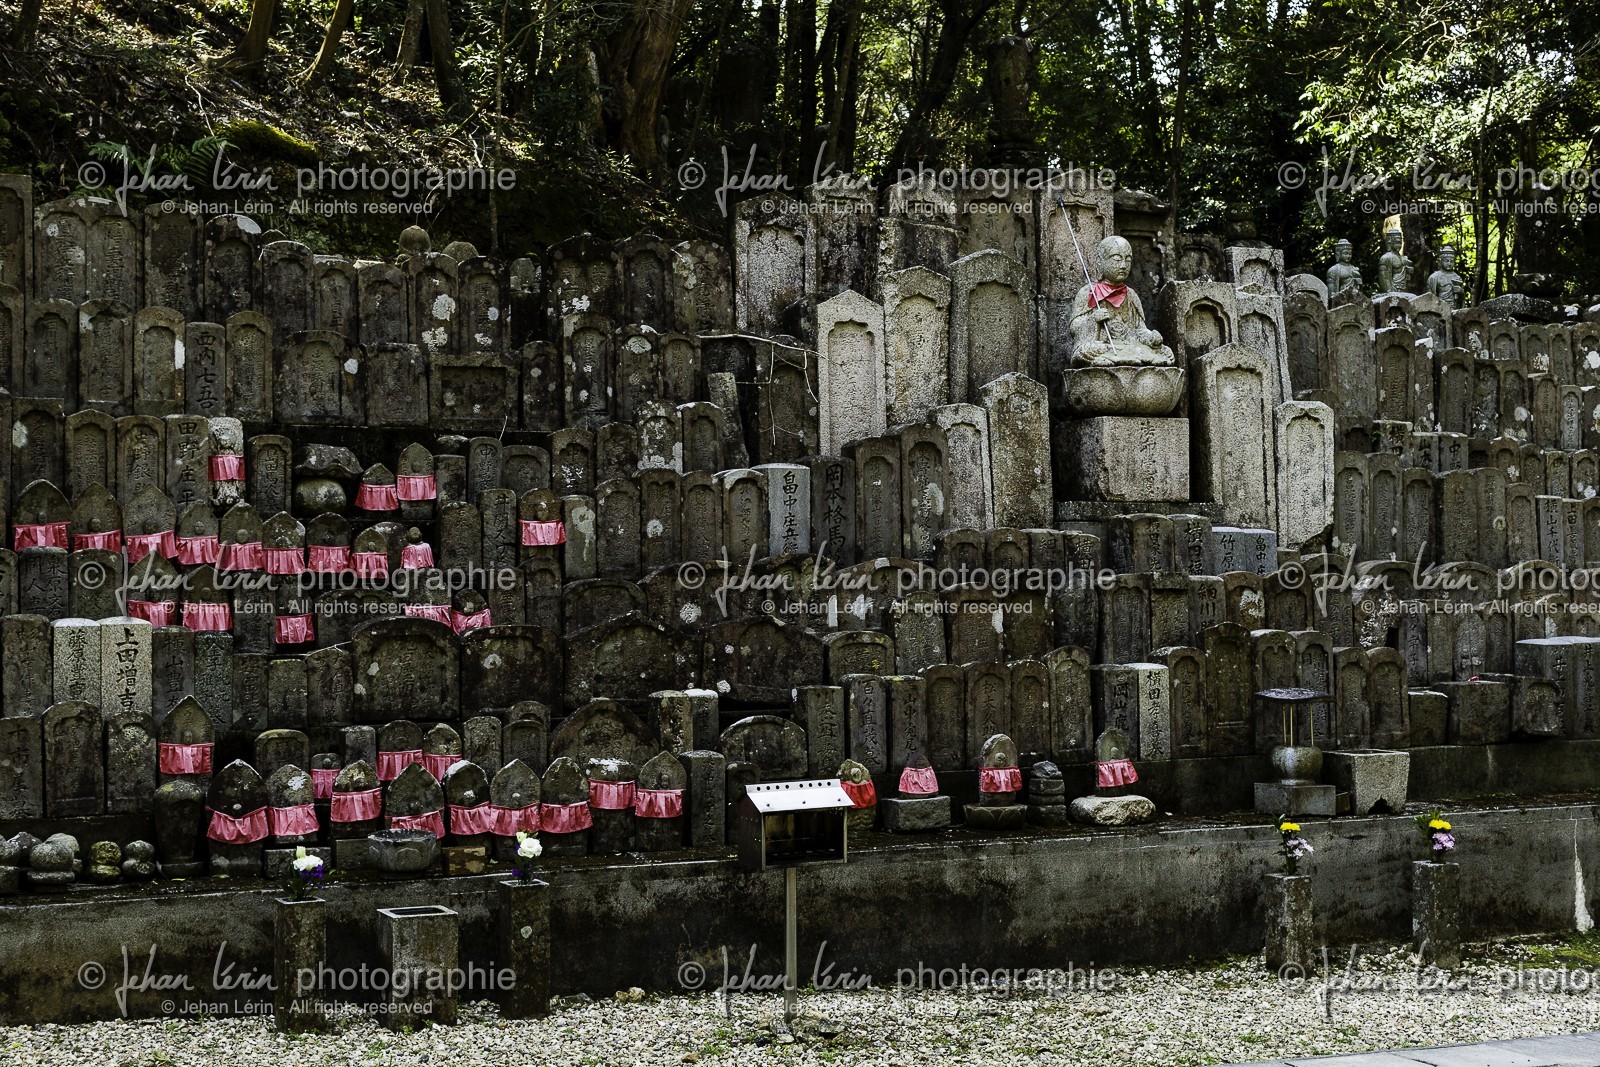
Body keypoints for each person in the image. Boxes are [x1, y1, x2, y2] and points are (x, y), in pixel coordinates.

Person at [1069, 236, 1174, 366]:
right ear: (1100, 262)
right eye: (1117, 259)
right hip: (1103, 346)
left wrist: (1151, 338)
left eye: (1128, 260)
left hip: (1130, 346)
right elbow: (1075, 328)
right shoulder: (1088, 292)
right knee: (1087, 351)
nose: (1123, 265)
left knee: (1165, 352)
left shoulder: (1131, 295)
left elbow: (1140, 329)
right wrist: (1093, 320)